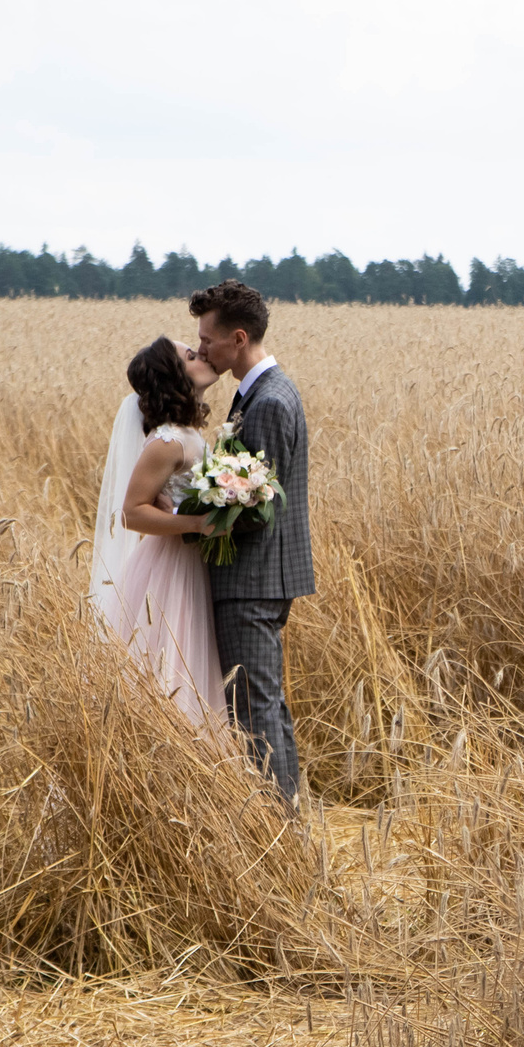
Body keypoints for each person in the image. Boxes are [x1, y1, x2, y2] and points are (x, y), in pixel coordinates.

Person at [190, 279, 313, 803]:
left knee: (254, 710)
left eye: (207, 339)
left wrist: (190, 518)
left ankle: (278, 833)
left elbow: (257, 511)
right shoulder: (264, 393)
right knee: (264, 703)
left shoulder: (267, 402)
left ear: (238, 339)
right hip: (262, 578)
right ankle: (287, 827)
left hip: (252, 579)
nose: (201, 350)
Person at [89, 336, 227, 728]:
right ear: (175, 376)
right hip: (172, 569)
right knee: (174, 672)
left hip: (191, 562)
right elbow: (132, 513)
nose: (201, 354)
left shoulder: (187, 434)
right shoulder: (167, 441)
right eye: (190, 355)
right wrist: (197, 524)